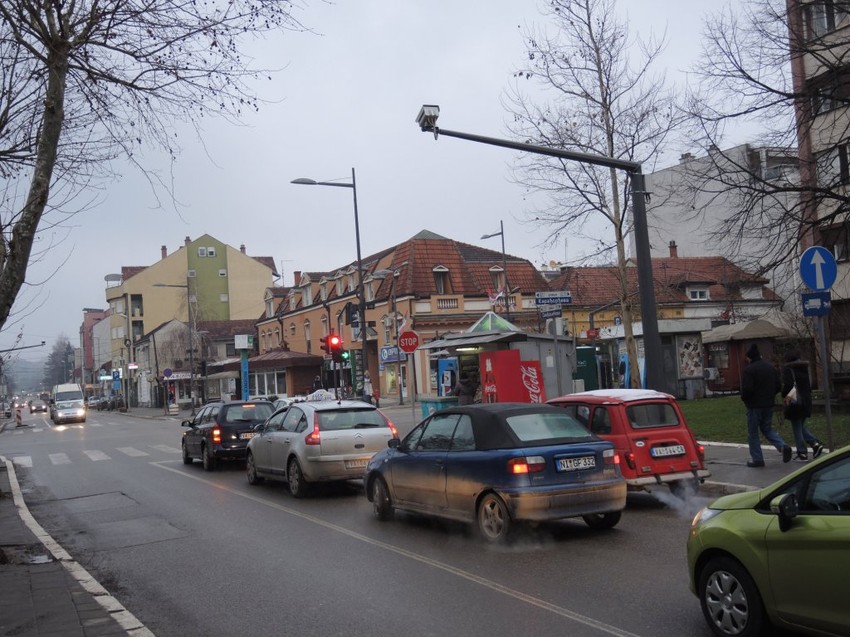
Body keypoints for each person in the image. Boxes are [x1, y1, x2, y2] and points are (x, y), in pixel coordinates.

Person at [741, 343, 792, 467]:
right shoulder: (770, 368)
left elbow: (747, 389)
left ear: (750, 358)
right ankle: (782, 446)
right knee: (767, 428)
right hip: (769, 404)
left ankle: (757, 459)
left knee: (753, 432)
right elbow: (778, 386)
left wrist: (744, 398)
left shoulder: (749, 370)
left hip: (754, 405)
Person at [781, 351, 824, 461]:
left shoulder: (788, 369)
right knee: (801, 426)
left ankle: (802, 451)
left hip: (795, 401)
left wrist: (783, 394)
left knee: (797, 427)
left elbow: (789, 386)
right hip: (806, 400)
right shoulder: (804, 368)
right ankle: (814, 444)